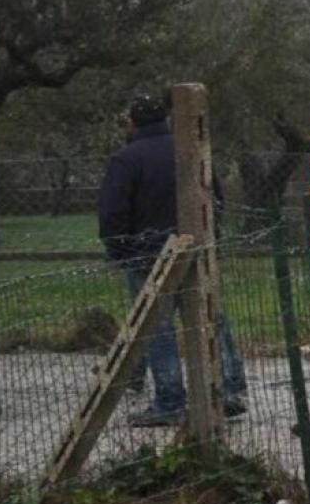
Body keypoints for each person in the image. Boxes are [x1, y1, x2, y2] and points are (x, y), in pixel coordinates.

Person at [98, 93, 246, 428]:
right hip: (197, 248)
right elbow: (216, 197)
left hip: (147, 254)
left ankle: (170, 399)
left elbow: (113, 210)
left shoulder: (126, 159)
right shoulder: (190, 151)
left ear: (131, 121)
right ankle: (227, 389)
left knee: (156, 328)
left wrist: (118, 249)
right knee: (209, 317)